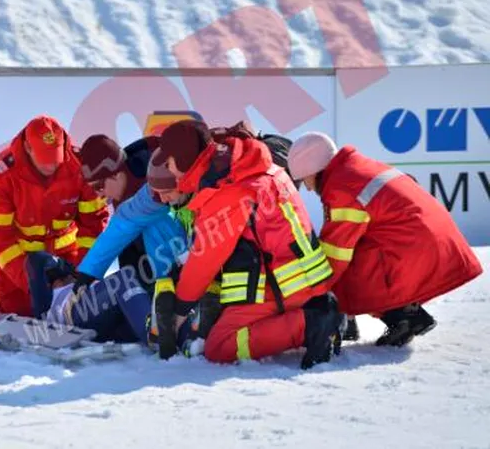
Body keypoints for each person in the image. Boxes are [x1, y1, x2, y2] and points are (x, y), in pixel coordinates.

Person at [154, 120, 344, 369]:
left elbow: (206, 259)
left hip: (284, 288)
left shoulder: (229, 191)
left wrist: (178, 311)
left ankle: (312, 326)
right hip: (304, 281)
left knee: (219, 346)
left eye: (168, 162)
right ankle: (316, 314)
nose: (169, 170)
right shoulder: (251, 169)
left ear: (183, 159)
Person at [286, 131, 483, 346]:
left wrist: (309, 295)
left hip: (414, 250)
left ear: (315, 169)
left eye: (305, 179)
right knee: (357, 256)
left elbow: (335, 253)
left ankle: (398, 317)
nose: (307, 187)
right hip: (434, 244)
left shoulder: (342, 187)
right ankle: (405, 314)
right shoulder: (355, 168)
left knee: (344, 270)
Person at [0, 115, 110, 317]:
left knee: (80, 312)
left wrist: (79, 275)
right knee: (22, 313)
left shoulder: (80, 166)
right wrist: (32, 282)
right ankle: (1, 294)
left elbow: (93, 225)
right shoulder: (3, 174)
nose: (51, 167)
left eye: (55, 160)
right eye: (44, 160)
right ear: (28, 148)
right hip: (21, 265)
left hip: (68, 260)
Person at [75, 135, 162, 293]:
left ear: (117, 174)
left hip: (194, 246)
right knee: (128, 250)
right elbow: (119, 231)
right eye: (93, 189)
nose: (99, 195)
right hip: (162, 253)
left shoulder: (158, 174)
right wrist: (87, 273)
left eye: (99, 186)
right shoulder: (121, 190)